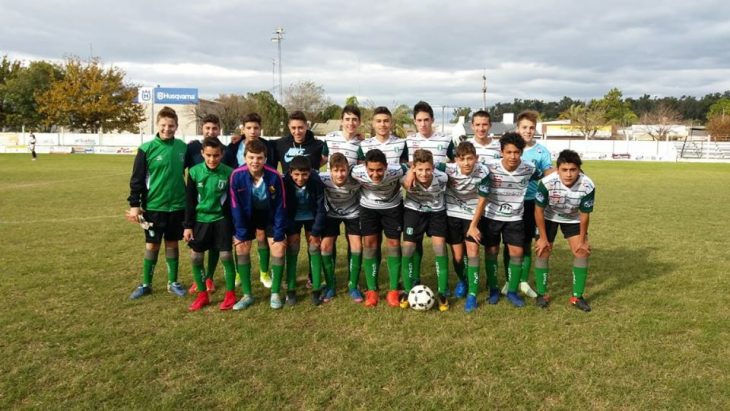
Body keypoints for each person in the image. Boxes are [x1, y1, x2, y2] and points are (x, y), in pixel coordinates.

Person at [467, 132, 541, 308]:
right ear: (501, 152)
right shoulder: (489, 167)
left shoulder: (529, 168)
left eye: (516, 152)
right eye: (509, 152)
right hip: (491, 217)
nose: (513, 156)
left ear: (521, 153)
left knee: (517, 253)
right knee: (491, 252)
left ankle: (512, 291)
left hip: (515, 218)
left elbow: (546, 173)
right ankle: (493, 289)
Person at [126, 106, 188, 300]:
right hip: (154, 207)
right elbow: (137, 179)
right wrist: (135, 204)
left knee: (172, 244)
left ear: (176, 126)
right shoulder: (146, 149)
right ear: (157, 125)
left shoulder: (182, 147)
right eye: (163, 125)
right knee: (152, 246)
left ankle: (173, 282)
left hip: (178, 205)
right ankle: (146, 284)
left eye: (171, 125)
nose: (167, 129)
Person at [229, 139, 287, 310]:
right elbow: (235, 205)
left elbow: (280, 206)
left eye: (259, 158)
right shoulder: (236, 175)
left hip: (269, 216)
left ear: (265, 159)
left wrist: (279, 233)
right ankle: (247, 295)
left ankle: (275, 292)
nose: (255, 161)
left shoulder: (274, 176)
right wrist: (240, 233)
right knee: (241, 247)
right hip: (247, 215)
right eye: (251, 157)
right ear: (245, 157)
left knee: (278, 247)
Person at [534, 149, 595, 312]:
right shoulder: (546, 182)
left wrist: (582, 241)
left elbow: (584, 215)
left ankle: (577, 297)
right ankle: (541, 294)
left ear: (579, 169)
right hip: (548, 217)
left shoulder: (587, 185)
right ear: (558, 169)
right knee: (543, 250)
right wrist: (542, 238)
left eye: (573, 170)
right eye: (564, 170)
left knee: (581, 252)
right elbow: (538, 211)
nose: (568, 174)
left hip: (573, 218)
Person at [403, 101, 455, 287]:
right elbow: (401, 164)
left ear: (432, 120)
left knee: (440, 245)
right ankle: (413, 279)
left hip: (437, 201)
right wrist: (410, 171)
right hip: (414, 202)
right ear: (415, 122)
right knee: (412, 244)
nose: (423, 124)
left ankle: (443, 287)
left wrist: (442, 171)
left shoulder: (445, 140)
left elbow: (455, 162)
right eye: (419, 120)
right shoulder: (407, 142)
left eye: (426, 120)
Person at [501, 110, 552, 299]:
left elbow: (549, 174)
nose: (528, 131)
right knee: (509, 243)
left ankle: (523, 281)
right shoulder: (510, 147)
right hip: (510, 201)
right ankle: (509, 280)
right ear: (517, 128)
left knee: (527, 241)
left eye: (531, 128)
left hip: (531, 202)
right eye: (524, 127)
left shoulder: (541, 151)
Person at [183, 137, 236, 311]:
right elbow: (189, 201)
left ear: (222, 154)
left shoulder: (229, 173)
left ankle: (230, 294)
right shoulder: (194, 172)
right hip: (200, 221)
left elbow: (233, 202)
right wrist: (187, 226)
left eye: (216, 155)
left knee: (226, 256)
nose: (212, 159)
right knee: (196, 257)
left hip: (222, 220)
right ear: (202, 154)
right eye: (208, 155)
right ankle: (202, 295)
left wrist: (234, 228)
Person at [224, 112, 276, 289]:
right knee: (240, 237)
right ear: (243, 129)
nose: (253, 131)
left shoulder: (268, 146)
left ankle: (264, 272)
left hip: (262, 198)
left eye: (256, 127)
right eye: (249, 128)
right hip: (240, 198)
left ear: (261, 129)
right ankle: (239, 273)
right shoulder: (233, 146)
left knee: (262, 236)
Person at [351, 149, 405, 308]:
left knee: (394, 245)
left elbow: (411, 169)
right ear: (365, 167)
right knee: (370, 245)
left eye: (380, 170)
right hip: (368, 208)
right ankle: (372, 290)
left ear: (386, 167)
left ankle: (394, 290)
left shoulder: (398, 170)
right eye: (371, 170)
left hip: (393, 208)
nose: (375, 174)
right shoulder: (356, 171)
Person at [443, 141, 490, 312]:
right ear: (456, 160)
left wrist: (474, 225)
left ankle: (472, 294)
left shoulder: (483, 171)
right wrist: (411, 172)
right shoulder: (447, 169)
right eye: (462, 159)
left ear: (476, 158)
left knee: (473, 252)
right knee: (457, 256)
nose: (466, 163)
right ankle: (463, 280)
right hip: (452, 214)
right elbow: (424, 165)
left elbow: (483, 200)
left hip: (473, 216)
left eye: (470, 159)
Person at [400, 149, 450, 311]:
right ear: (414, 167)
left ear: (433, 168)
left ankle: (442, 292)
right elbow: (403, 181)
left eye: (428, 169)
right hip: (414, 211)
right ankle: (408, 290)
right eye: (420, 169)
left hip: (436, 213)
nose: (424, 173)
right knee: (408, 248)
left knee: (439, 247)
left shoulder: (443, 178)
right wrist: (409, 174)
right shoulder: (407, 179)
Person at [184, 114, 224, 294]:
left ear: (219, 130)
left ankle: (210, 277)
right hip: (199, 207)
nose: (211, 131)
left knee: (216, 247)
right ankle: (198, 279)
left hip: (217, 207)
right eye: (208, 128)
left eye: (214, 128)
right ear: (202, 129)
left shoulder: (224, 149)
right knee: (198, 250)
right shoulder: (192, 147)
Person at [283, 156, 327, 306]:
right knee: (293, 246)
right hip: (293, 217)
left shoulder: (316, 181)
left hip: (311, 216)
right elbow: (282, 207)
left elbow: (321, 208)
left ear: (310, 172)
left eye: (304, 175)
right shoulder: (285, 181)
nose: (300, 178)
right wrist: (287, 227)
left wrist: (315, 232)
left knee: (314, 246)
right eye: (296, 174)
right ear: (290, 173)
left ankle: (316, 288)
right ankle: (290, 288)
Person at [319, 153, 363, 302]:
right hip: (331, 214)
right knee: (325, 247)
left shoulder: (356, 179)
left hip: (353, 213)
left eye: (343, 170)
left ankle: (353, 285)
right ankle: (331, 286)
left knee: (357, 246)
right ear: (329, 170)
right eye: (336, 171)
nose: (340, 174)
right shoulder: (322, 178)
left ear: (348, 169)